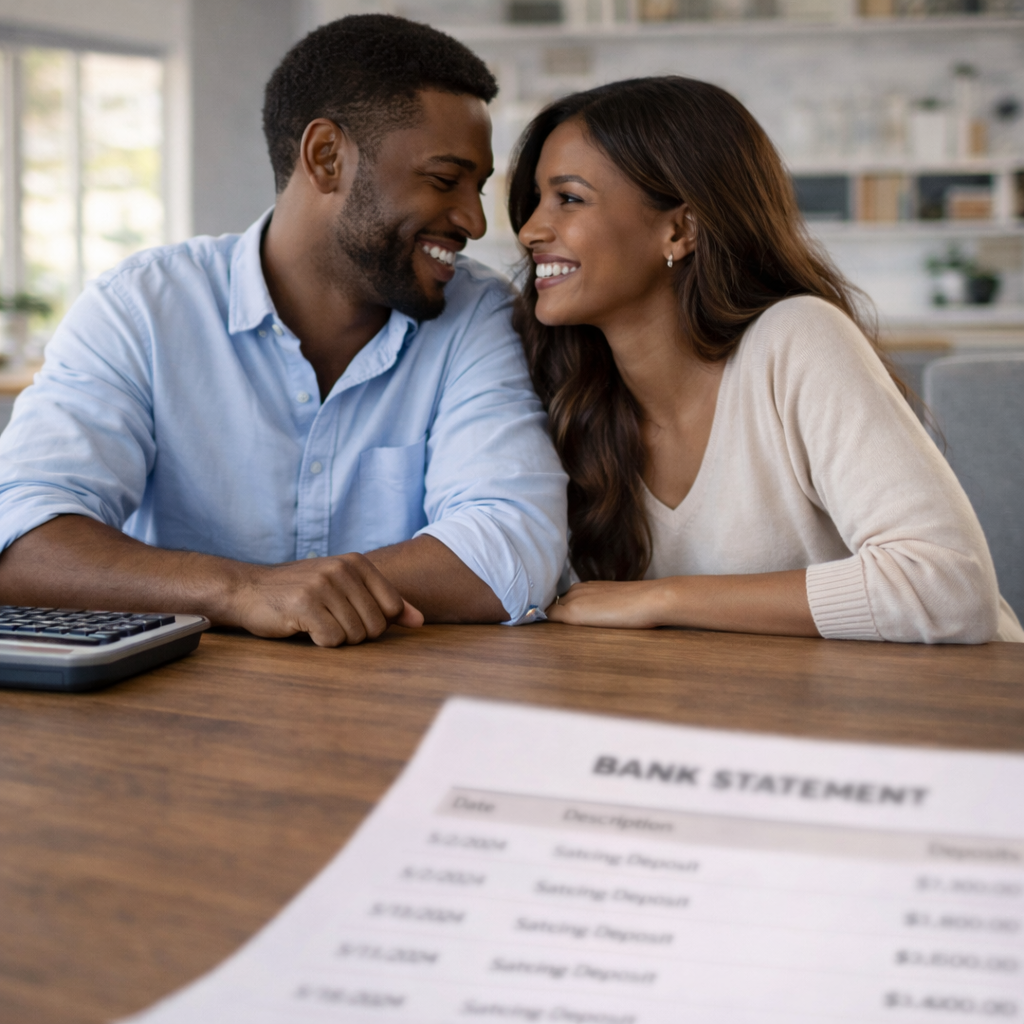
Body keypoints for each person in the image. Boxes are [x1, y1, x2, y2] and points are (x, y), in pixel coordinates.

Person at [0, 15, 568, 647]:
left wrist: (296, 594)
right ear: (327, 157)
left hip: (396, 707)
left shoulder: (478, 312)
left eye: (479, 187)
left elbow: (514, 546)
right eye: (443, 180)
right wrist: (240, 591)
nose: (475, 221)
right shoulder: (141, 307)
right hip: (171, 715)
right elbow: (22, 541)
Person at [510, 76, 1023, 643]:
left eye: (570, 198)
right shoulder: (566, 387)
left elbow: (949, 589)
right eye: (536, 199)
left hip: (953, 709)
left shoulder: (795, 339)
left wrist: (659, 597)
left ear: (680, 229)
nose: (531, 229)